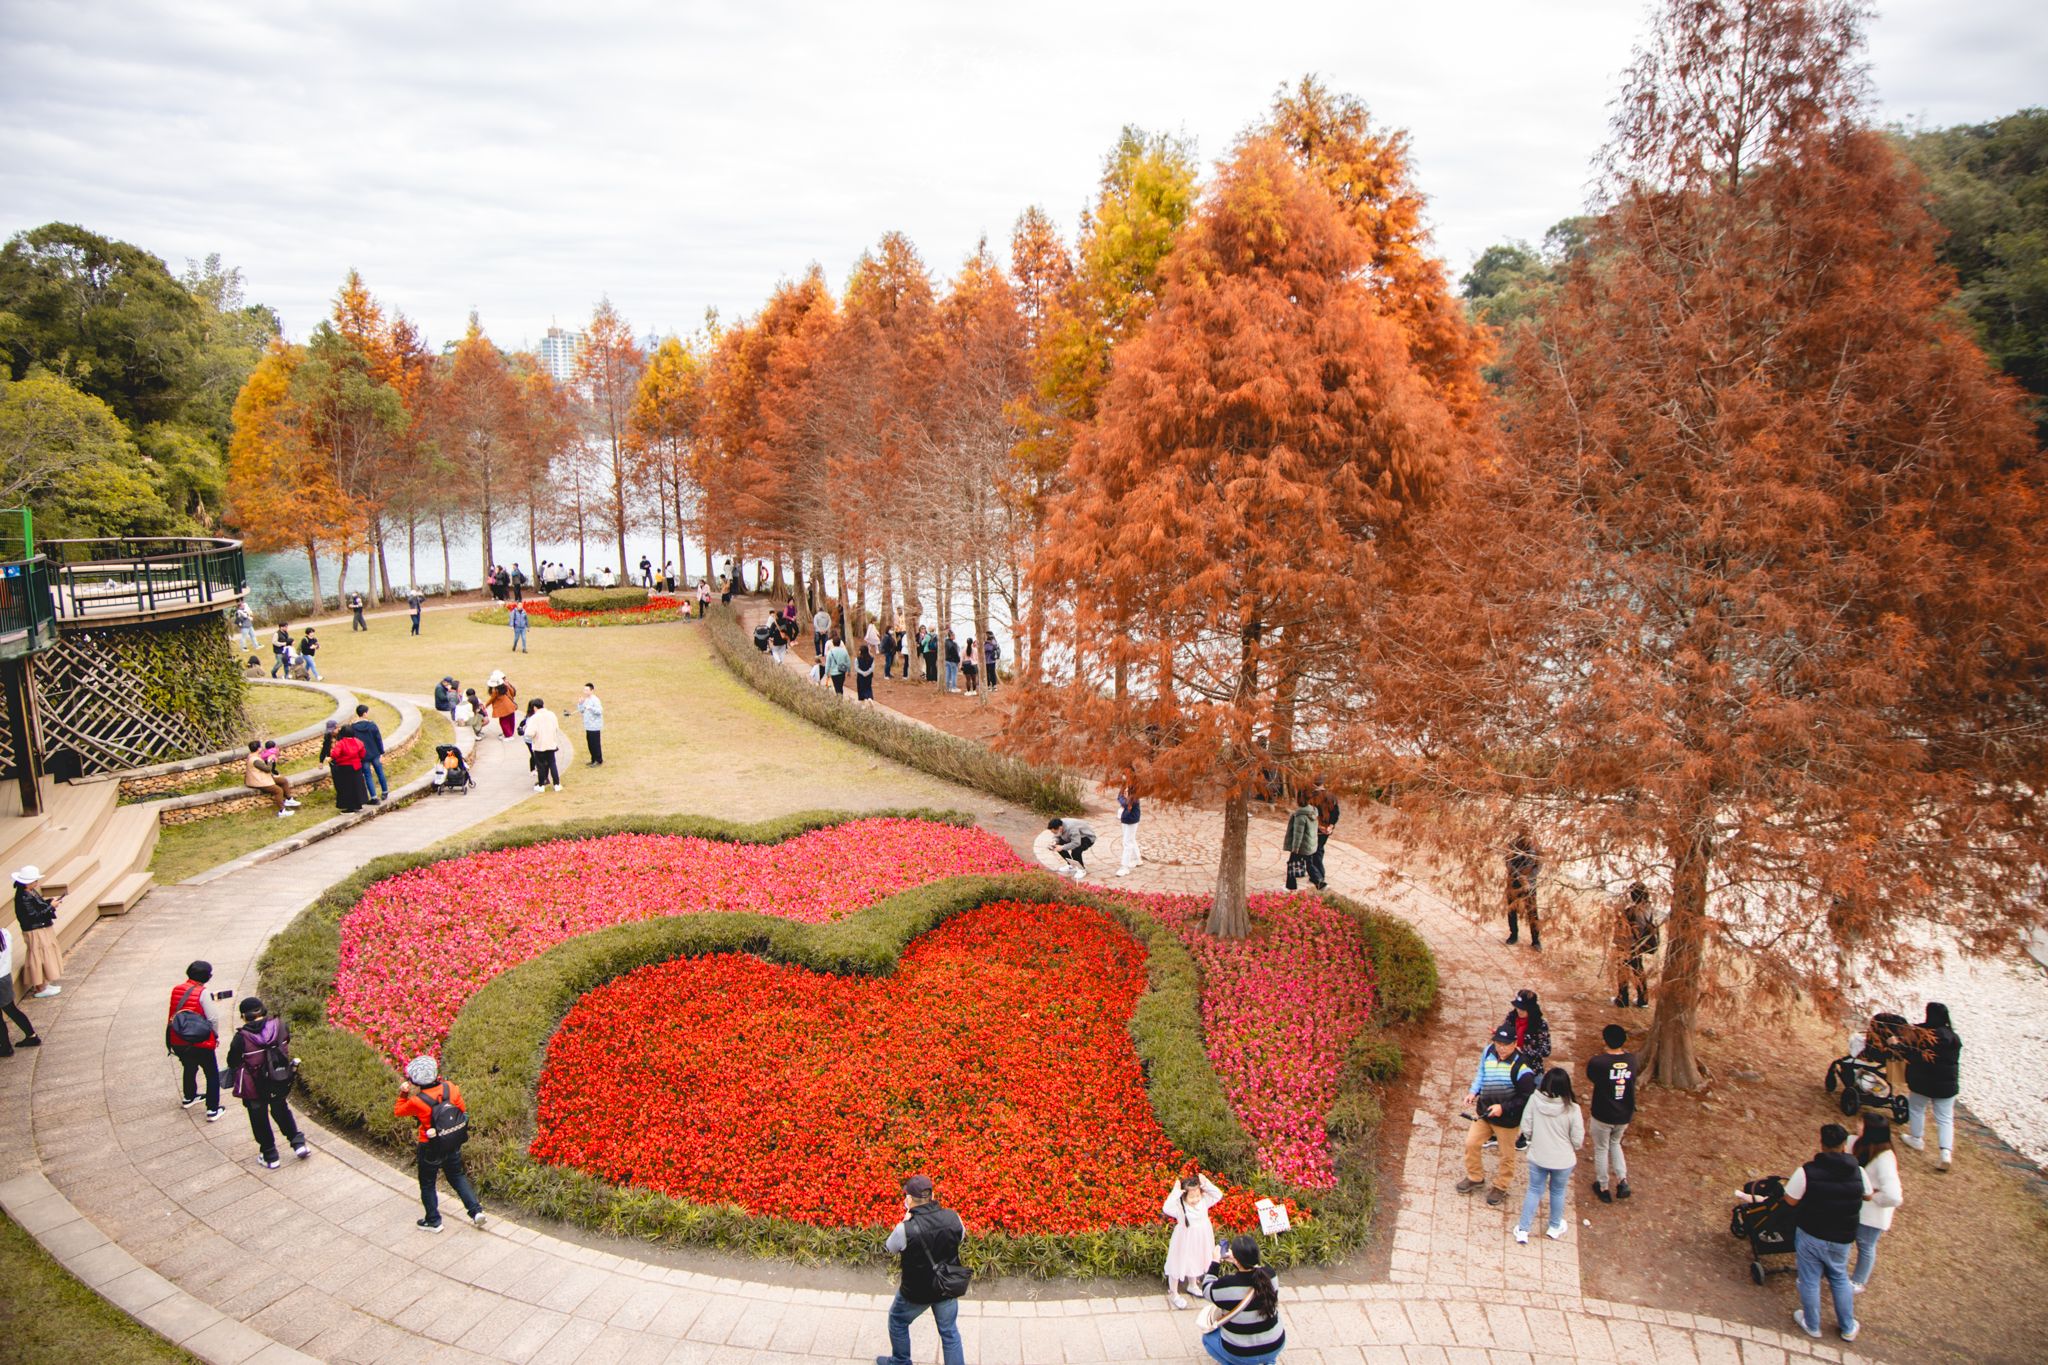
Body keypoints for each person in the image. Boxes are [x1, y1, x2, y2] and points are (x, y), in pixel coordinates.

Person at [1783, 1122, 1868, 1342]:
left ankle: (1812, 1325)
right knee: (1839, 1278)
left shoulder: (1807, 1172)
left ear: (1822, 1144)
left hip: (1812, 1232)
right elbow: (1868, 1195)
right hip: (1842, 1237)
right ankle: (1848, 1327)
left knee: (1810, 1279)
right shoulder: (1858, 1171)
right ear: (1843, 1146)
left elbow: (1790, 1200)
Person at [878, 1173, 966, 1365]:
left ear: (908, 1199)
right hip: (946, 1286)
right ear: (932, 1196)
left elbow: (890, 1248)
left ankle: (901, 1361)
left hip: (917, 1291)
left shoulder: (905, 1229)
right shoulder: (953, 1217)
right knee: (949, 1332)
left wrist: (905, 1220)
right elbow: (960, 1237)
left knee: (898, 1321)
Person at [395, 1056, 485, 1231]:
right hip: (451, 1141)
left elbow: (398, 1111)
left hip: (429, 1146)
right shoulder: (450, 1087)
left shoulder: (417, 1101)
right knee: (457, 1176)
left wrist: (404, 1093)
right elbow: (462, 1111)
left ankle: (433, 1220)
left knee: (428, 1182)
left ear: (414, 1081)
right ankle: (476, 1212)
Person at [1458, 1025, 1538, 1206]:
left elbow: (1526, 1098)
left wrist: (1503, 1107)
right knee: (1471, 1143)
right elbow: (1482, 1073)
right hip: (1485, 1113)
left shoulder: (1523, 1068)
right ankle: (1475, 1177)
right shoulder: (1488, 1052)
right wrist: (1473, 1092)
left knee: (1506, 1155)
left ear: (1515, 1044)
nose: (1501, 1048)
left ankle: (1501, 1186)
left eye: (1506, 1044)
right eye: (1498, 1043)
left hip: (1507, 1120)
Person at [226, 996, 308, 1169]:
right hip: (278, 1077)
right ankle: (298, 1143)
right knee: (281, 1109)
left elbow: (232, 1061)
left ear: (243, 1016)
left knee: (258, 1117)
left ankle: (270, 1155)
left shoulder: (241, 1038)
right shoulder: (280, 1026)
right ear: (263, 1010)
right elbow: (287, 1042)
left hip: (253, 1084)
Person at [1515, 1067, 1584, 1243]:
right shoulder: (1573, 1108)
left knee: (1534, 1190)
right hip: (1563, 1160)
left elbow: (1526, 1126)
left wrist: (1533, 1139)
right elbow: (1577, 1139)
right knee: (1558, 1191)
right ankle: (1554, 1227)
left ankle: (1523, 1229)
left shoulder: (1534, 1100)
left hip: (1538, 1155)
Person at [1198, 1235, 1286, 1364]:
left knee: (1208, 1339)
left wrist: (1215, 1261)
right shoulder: (1270, 1275)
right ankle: (1269, 1361)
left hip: (1240, 1352)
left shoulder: (1226, 1286)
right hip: (1275, 1344)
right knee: (1265, 1349)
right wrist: (1237, 1262)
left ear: (1237, 1260)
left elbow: (1206, 1290)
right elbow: (1251, 1272)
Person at [1900, 1002, 1961, 1171]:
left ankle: (1917, 1138)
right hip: (1947, 1086)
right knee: (1945, 1118)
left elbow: (1910, 1053)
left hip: (1923, 1083)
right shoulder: (1954, 1038)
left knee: (1917, 1108)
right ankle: (1945, 1153)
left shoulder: (1922, 1034)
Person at [1584, 1023, 1638, 1202]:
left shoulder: (1598, 1062)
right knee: (1615, 1144)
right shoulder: (1632, 1060)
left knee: (1601, 1148)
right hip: (1624, 1114)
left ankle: (1603, 1186)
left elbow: (1592, 1077)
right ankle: (1622, 1180)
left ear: (1605, 1040)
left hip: (1602, 1113)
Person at [1851, 1115, 1902, 1294]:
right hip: (1858, 1210)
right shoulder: (1863, 1146)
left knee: (1865, 1246)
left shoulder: (1885, 1159)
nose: (1857, 1125)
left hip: (1871, 1215)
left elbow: (1894, 1196)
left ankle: (1858, 1281)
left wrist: (1873, 1197)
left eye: (1861, 1124)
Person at [166, 961, 222, 1120]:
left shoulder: (177, 989)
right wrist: (215, 1036)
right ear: (206, 977)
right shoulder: (203, 993)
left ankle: (189, 1097)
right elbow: (213, 1018)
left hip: (178, 1039)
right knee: (211, 1073)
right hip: (199, 1042)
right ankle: (213, 1109)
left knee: (189, 1067)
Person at [1162, 1170, 1223, 1307]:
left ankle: (1192, 1284)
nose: (1195, 1200)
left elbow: (1218, 1194)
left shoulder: (1203, 1202)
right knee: (1178, 1263)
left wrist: (1206, 1184)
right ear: (1184, 1196)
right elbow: (1166, 1208)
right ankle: (1174, 1293)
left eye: (1197, 1196)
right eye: (1191, 1197)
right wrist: (1176, 1192)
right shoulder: (1179, 1207)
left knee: (1196, 1259)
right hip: (1184, 1239)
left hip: (1201, 1237)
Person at [11, 867, 63, 998]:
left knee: (44, 954)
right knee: (38, 955)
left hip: (41, 927)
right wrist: (51, 907)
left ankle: (44, 983)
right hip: (34, 930)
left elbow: (38, 907)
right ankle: (40, 987)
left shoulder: (29, 891)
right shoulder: (23, 897)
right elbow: (34, 916)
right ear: (27, 882)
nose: (36, 883)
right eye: (34, 881)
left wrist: (49, 903)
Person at [0, 922, 46, 1055]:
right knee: (12, 1009)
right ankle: (31, 1036)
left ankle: (5, 1047)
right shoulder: (5, 933)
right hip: (5, 977)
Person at [1613, 882, 1658, 1007]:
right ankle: (1643, 1000)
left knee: (1623, 970)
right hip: (1640, 944)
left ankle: (1622, 999)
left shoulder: (1632, 911)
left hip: (1629, 945)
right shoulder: (1649, 908)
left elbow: (1623, 929)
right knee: (1639, 970)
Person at [244, 739, 299, 818]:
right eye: (260, 746)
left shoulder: (253, 755)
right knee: (278, 790)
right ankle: (282, 811)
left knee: (283, 781)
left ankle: (289, 799)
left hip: (262, 778)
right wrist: (270, 760)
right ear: (258, 749)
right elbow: (267, 769)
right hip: (258, 781)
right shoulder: (255, 760)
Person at [1505, 829, 1540, 948]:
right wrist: (1518, 876)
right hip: (1513, 882)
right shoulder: (1512, 844)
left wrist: (1528, 878)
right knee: (1511, 910)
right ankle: (1513, 935)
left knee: (1532, 912)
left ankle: (1536, 940)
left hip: (1530, 884)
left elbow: (1539, 865)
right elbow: (1508, 863)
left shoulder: (1536, 846)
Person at [1498, 988, 1552, 1062]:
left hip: (1529, 1064)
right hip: (1509, 1060)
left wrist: (1523, 1050)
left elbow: (1545, 1051)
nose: (1519, 1011)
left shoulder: (1540, 1025)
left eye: (1522, 1009)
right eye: (1517, 1008)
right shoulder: (1511, 1018)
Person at [523, 697, 565, 792]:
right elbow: (557, 728)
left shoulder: (534, 718)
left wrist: (526, 730)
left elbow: (529, 733)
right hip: (551, 743)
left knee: (540, 765)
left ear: (534, 707)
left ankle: (541, 785)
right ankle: (557, 784)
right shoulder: (551, 714)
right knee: (552, 763)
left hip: (539, 745)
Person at [351, 703, 389, 804]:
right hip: (375, 753)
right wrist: (381, 752)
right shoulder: (372, 725)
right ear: (364, 714)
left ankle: (374, 797)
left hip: (363, 756)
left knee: (368, 776)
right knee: (380, 772)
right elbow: (378, 739)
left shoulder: (353, 727)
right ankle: (385, 792)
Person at [1307, 777, 1340, 891]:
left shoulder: (1312, 797)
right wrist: (1330, 826)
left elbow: (1310, 814)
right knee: (1319, 849)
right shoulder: (1332, 796)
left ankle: (1319, 877)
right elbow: (1336, 813)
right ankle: (1319, 875)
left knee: (1314, 851)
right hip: (1326, 829)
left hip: (1317, 828)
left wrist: (1320, 826)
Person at [1283, 790, 1318, 892]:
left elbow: (1298, 834)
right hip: (1309, 845)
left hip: (1301, 846)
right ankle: (1320, 883)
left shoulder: (1300, 815)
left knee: (1291, 864)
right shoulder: (1313, 811)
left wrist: (1295, 848)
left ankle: (1291, 887)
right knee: (1309, 864)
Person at [328, 725, 368, 813]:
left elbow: (335, 754)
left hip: (345, 768)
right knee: (357, 786)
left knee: (346, 787)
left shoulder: (341, 743)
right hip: (356, 767)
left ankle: (350, 807)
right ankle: (358, 804)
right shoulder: (359, 742)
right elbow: (363, 754)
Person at [1116, 769, 1144, 876]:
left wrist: (1126, 802)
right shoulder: (1124, 786)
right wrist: (1125, 803)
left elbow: (1132, 801)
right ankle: (1138, 859)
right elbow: (1120, 797)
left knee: (1127, 842)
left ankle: (1125, 867)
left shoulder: (1136, 788)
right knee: (1130, 839)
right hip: (1124, 816)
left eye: (1125, 775)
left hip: (1132, 818)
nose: (1123, 776)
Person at [575, 683, 604, 765]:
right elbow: (581, 711)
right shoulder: (586, 700)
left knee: (595, 744)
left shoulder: (595, 700)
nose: (585, 691)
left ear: (592, 690)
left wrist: (591, 708)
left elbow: (599, 711)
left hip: (594, 726)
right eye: (584, 690)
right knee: (590, 744)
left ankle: (598, 760)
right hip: (588, 726)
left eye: (587, 690)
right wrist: (580, 703)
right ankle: (593, 759)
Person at [488, 672, 518, 739]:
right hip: (511, 706)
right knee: (511, 720)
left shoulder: (496, 690)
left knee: (503, 722)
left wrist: (486, 705)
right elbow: (513, 694)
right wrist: (508, 686)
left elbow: (492, 699)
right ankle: (509, 733)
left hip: (503, 709)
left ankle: (508, 735)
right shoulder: (505, 686)